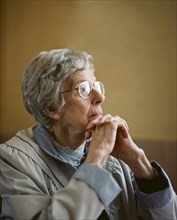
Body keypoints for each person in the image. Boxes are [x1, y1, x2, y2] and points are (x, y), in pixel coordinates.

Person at [0, 49, 176, 220]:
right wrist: (96, 158)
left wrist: (137, 160)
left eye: (96, 86)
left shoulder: (116, 156)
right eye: (83, 89)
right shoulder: (12, 159)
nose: (100, 96)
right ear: (51, 107)